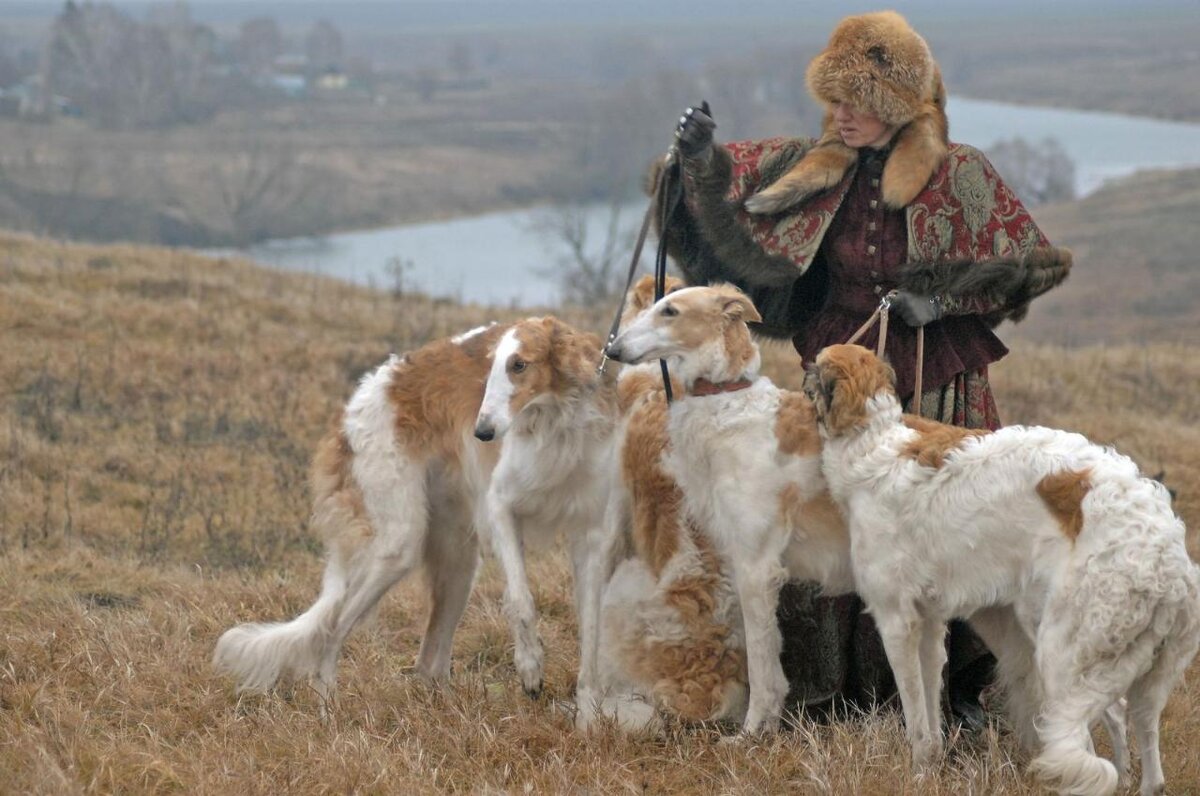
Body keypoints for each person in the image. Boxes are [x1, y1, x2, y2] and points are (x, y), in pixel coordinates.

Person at [656, 10, 1072, 725]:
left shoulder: (962, 171)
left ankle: (951, 693)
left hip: (933, 375)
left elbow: (1031, 264)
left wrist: (939, 298)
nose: (840, 115)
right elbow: (721, 206)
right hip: (837, 375)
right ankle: (827, 689)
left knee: (950, 524)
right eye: (834, 100)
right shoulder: (809, 168)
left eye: (857, 102)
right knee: (826, 520)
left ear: (895, 105)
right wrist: (696, 155)